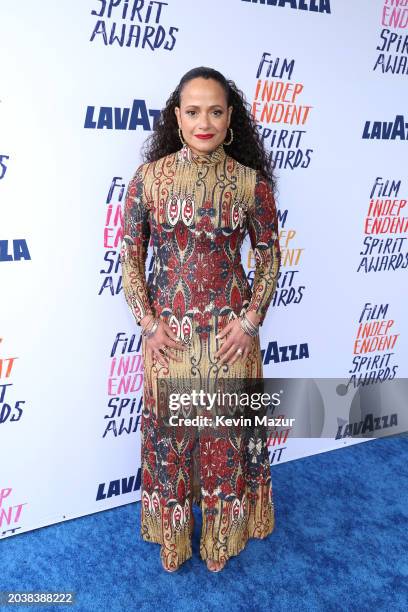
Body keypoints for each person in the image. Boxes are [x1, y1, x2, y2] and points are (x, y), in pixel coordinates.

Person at [120, 66, 281, 573]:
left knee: (224, 443)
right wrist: (148, 324)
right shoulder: (149, 179)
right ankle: (173, 538)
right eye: (193, 111)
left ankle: (220, 537)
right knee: (170, 442)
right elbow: (129, 254)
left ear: (230, 117)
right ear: (177, 117)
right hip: (169, 338)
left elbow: (271, 256)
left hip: (231, 340)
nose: (204, 122)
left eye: (215, 111)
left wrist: (251, 321)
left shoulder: (251, 184)